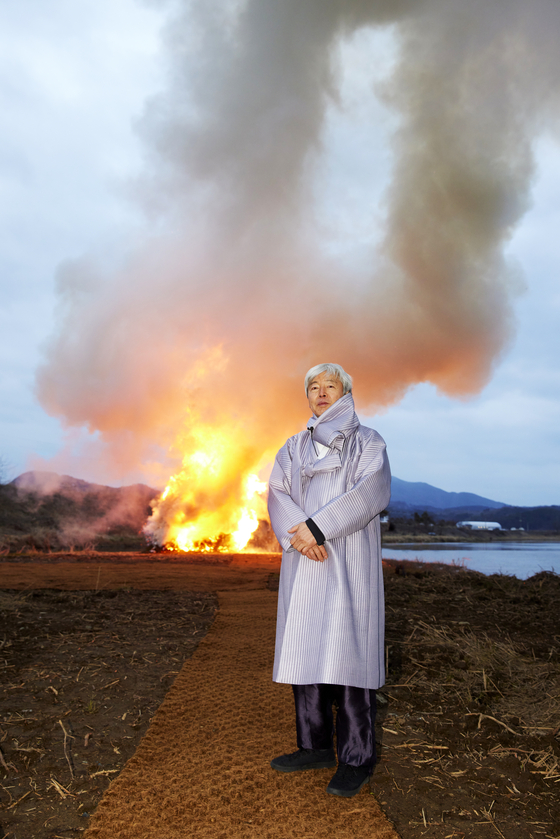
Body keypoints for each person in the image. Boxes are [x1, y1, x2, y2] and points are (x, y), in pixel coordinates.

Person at [268, 363, 391, 798]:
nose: (321, 393)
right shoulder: (293, 446)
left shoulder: (368, 442)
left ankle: (357, 758)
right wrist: (300, 536)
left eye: (330, 386)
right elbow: (276, 492)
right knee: (307, 648)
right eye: (314, 388)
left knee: (350, 652)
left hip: (346, 560)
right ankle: (314, 746)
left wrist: (318, 528)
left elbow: (370, 492)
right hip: (305, 560)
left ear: (345, 392)